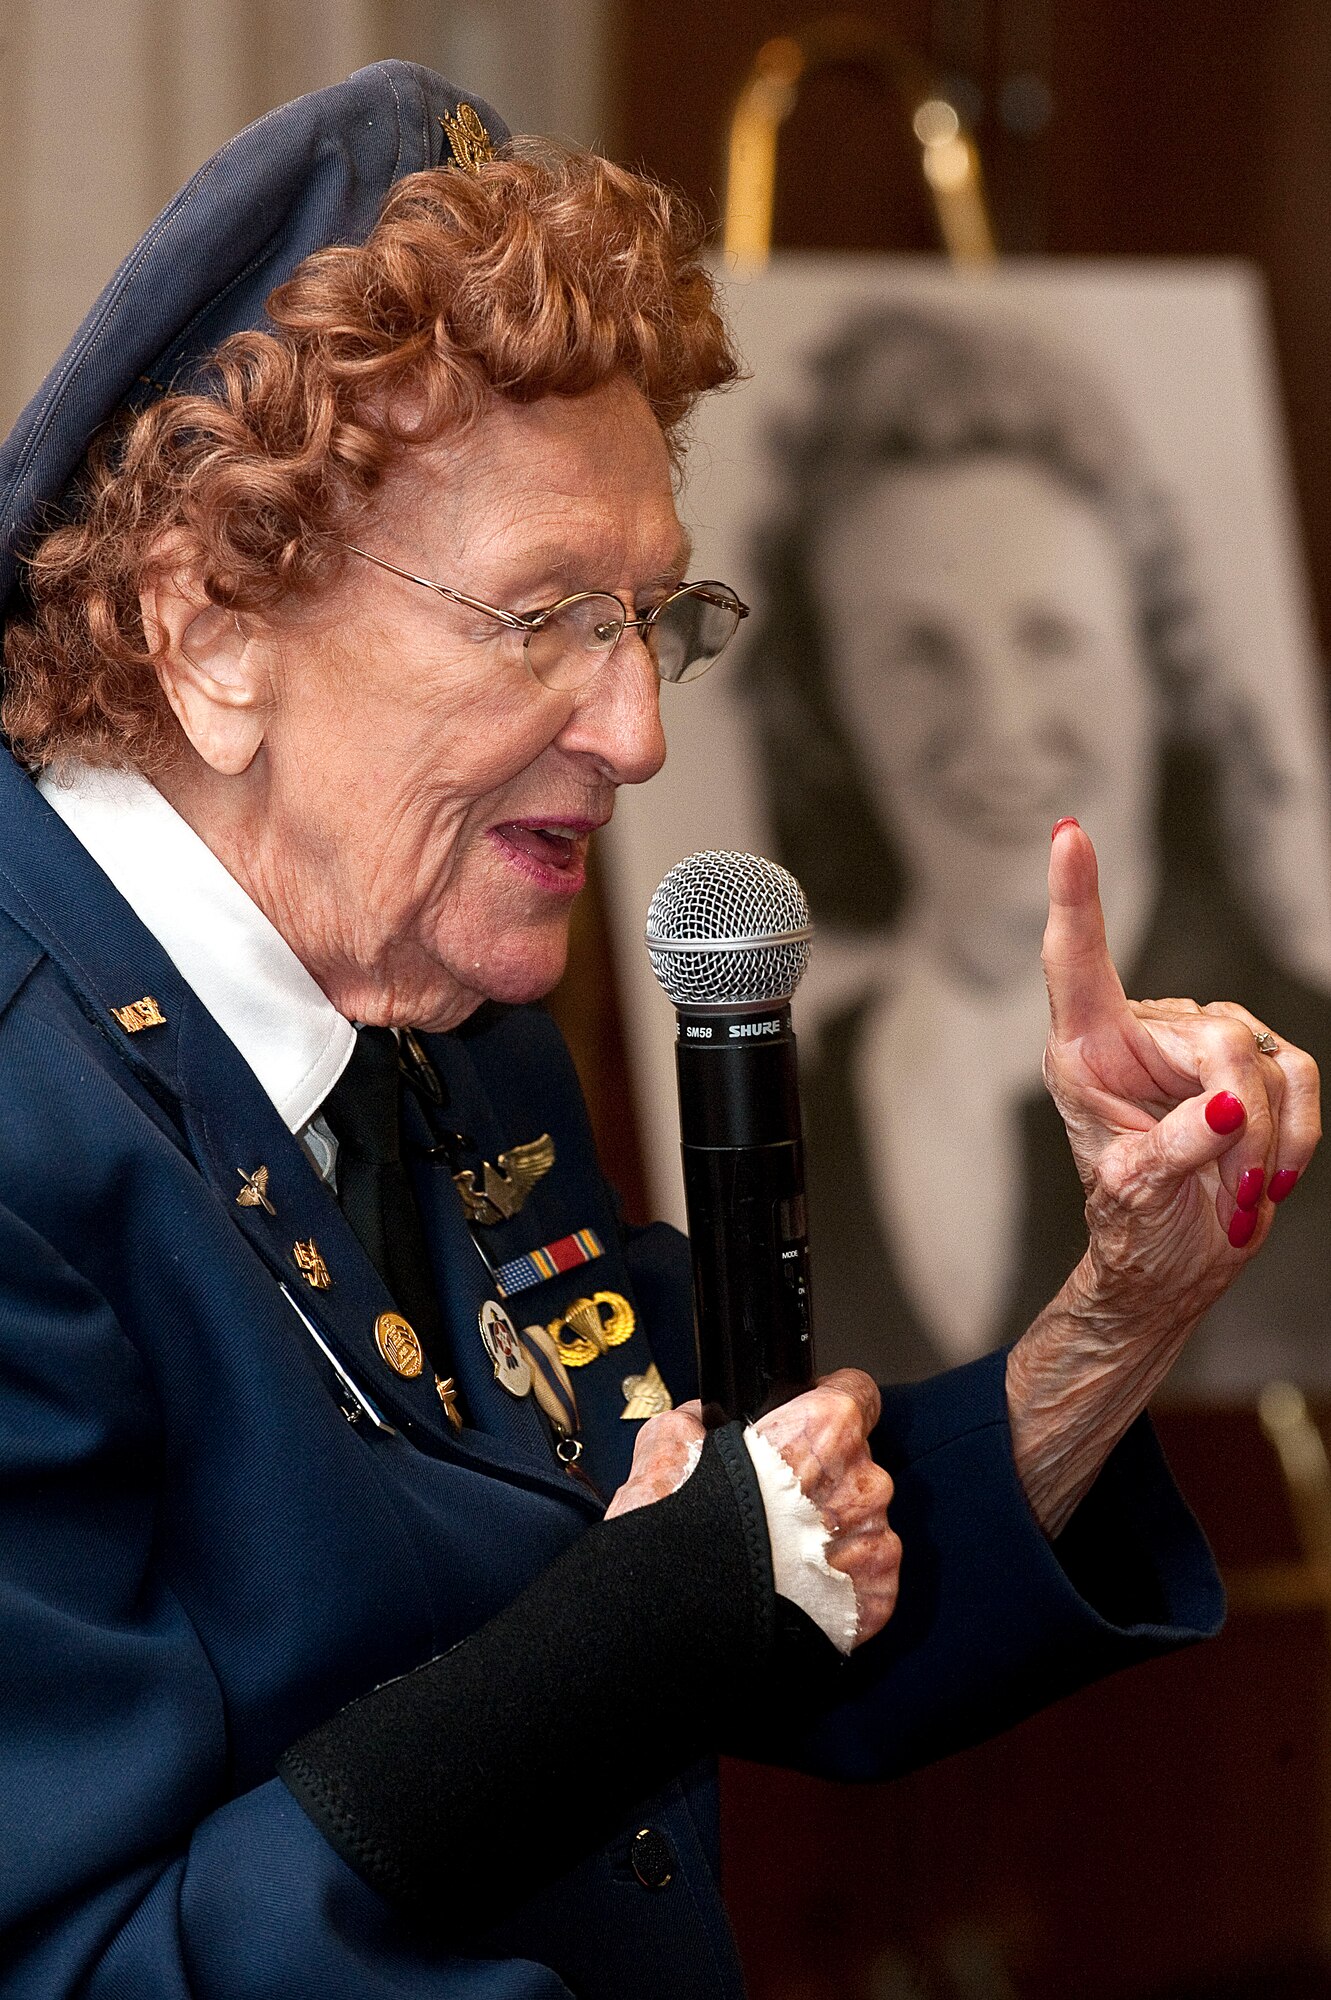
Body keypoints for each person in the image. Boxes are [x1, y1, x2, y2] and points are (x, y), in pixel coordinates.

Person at [0, 61, 1316, 2000]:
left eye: (655, 617)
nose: (638, 731)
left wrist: (1115, 1305)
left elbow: (787, 1579)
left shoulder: (438, 1009)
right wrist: (625, 1637)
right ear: (209, 626)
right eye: (542, 615)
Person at [742, 304, 1331, 1389]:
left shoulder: (1309, 1081)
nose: (997, 723)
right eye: (916, 650)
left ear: (1154, 666)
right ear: (827, 702)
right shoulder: (784, 1109)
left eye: (1048, 635)